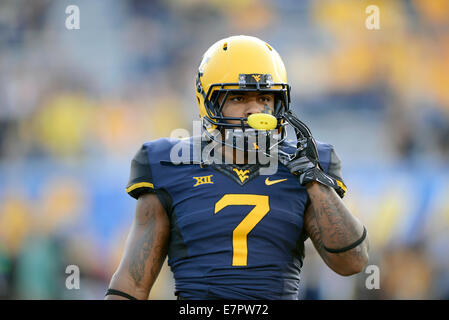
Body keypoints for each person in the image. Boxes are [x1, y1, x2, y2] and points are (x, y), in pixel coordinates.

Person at [105, 35, 369, 300]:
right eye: (240, 98)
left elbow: (352, 263)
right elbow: (133, 282)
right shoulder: (168, 162)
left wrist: (315, 181)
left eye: (265, 97)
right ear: (208, 101)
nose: (255, 110)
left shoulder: (307, 163)